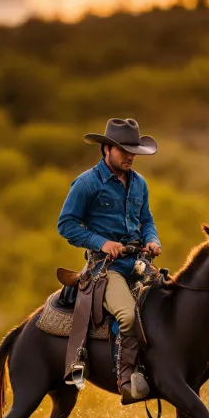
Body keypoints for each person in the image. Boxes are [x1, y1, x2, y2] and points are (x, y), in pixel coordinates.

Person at [58, 118, 162, 403]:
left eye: (133, 151)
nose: (130, 156)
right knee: (128, 316)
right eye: (123, 150)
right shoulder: (87, 183)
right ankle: (126, 381)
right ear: (106, 149)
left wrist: (153, 240)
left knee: (170, 303)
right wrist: (102, 243)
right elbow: (66, 225)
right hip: (105, 269)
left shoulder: (139, 183)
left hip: (138, 263)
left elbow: (147, 220)